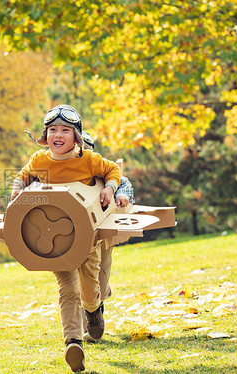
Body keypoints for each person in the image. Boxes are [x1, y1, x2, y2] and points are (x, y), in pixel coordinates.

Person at [11, 105, 121, 372]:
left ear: (76, 136)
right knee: (67, 288)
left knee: (88, 288)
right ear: (45, 135)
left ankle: (94, 310)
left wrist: (109, 187)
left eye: (65, 130)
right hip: (55, 239)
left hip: (88, 234)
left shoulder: (87, 160)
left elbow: (113, 172)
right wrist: (16, 191)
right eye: (52, 130)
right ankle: (73, 342)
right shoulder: (39, 160)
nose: (57, 135)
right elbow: (23, 176)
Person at [79, 132, 135, 343]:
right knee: (77, 283)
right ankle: (84, 325)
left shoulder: (101, 170)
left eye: (86, 150)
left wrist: (121, 194)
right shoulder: (62, 173)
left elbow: (124, 182)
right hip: (75, 237)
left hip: (102, 235)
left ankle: (98, 306)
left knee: (100, 279)